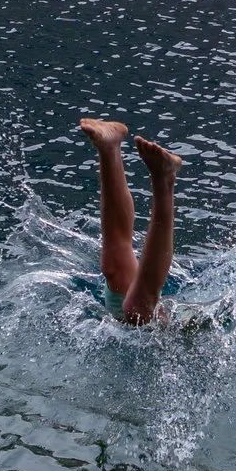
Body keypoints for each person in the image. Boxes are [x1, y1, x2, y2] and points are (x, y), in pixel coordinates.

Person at [78, 117, 179, 324]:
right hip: (165, 333)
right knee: (137, 309)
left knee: (113, 266)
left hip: (143, 331)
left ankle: (109, 148)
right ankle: (163, 178)